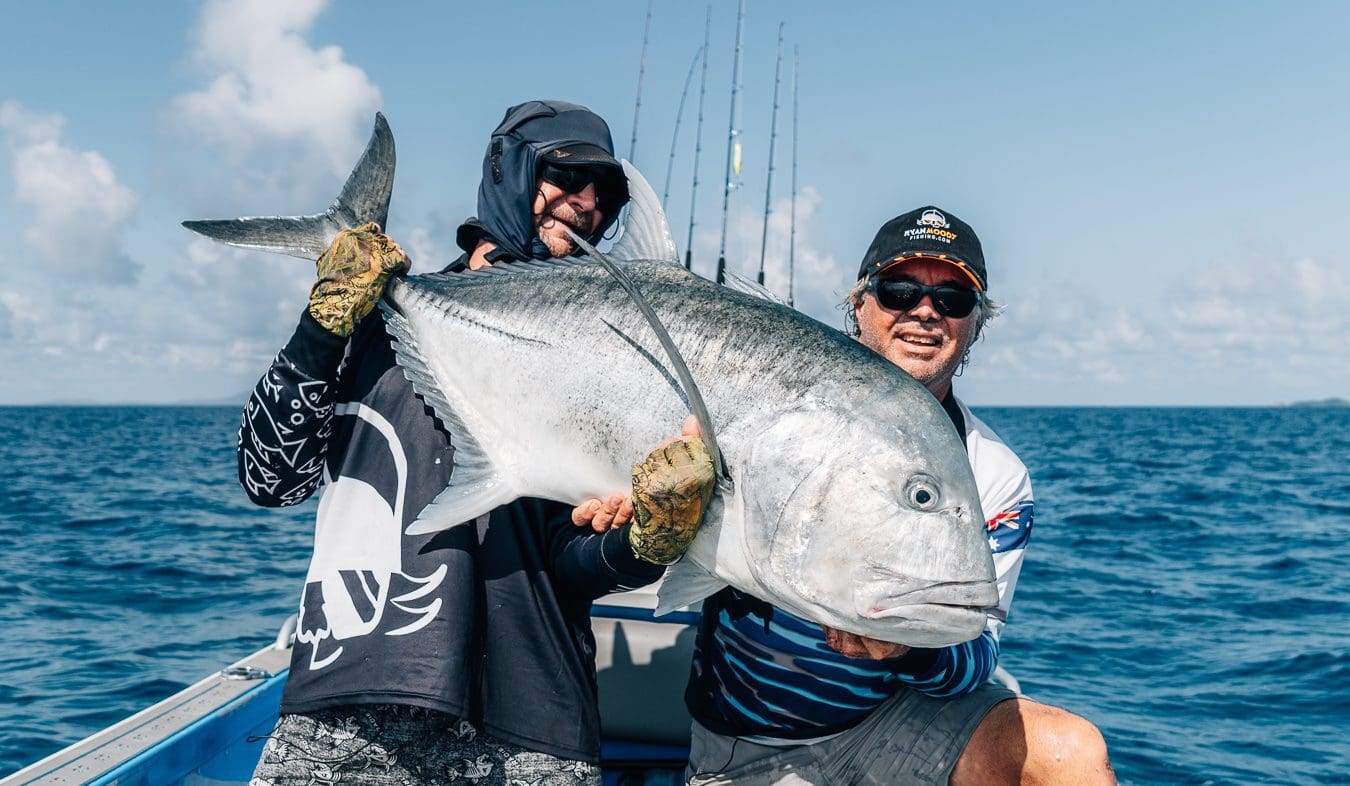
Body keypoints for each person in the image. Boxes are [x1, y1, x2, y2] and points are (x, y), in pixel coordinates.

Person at [237, 100, 714, 786]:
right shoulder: (372, 321)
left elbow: (570, 561)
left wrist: (641, 544)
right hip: (351, 695)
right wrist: (324, 325)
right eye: (566, 177)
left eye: (605, 194)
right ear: (509, 171)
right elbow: (269, 476)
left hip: (531, 723)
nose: (586, 204)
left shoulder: (604, 354)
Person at [671, 206, 1118, 785]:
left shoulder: (995, 473)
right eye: (899, 289)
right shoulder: (771, 407)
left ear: (976, 322)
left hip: (895, 727)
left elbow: (977, 654)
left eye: (953, 298)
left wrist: (909, 649)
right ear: (859, 304)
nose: (925, 311)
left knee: (1069, 757)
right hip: (744, 746)